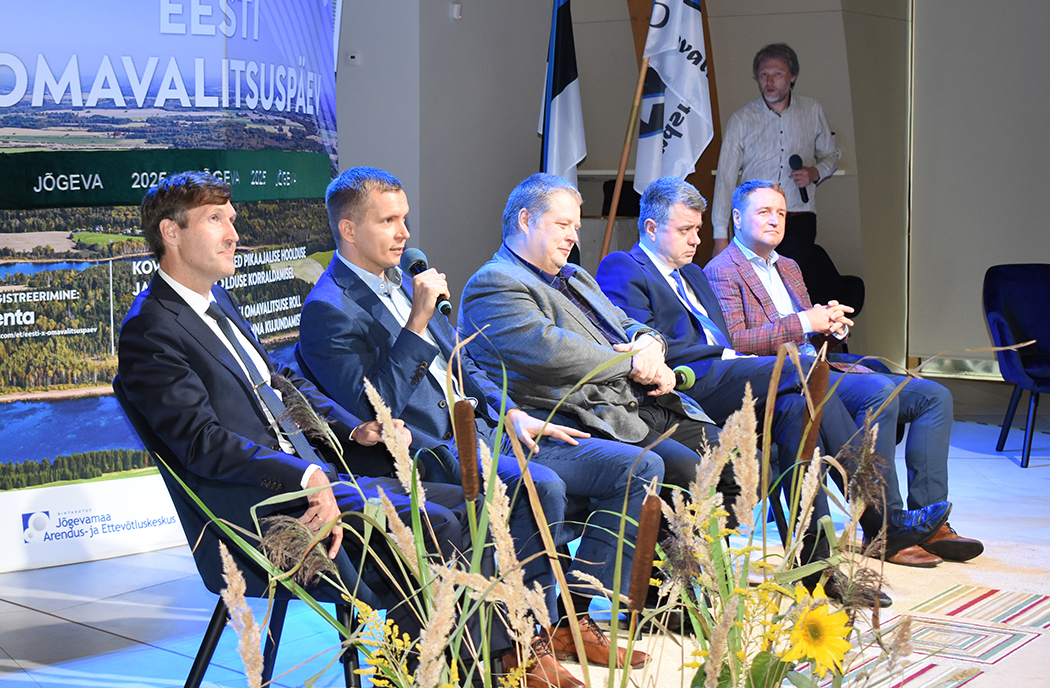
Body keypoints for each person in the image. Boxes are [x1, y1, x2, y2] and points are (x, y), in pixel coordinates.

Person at [298, 167, 656, 676]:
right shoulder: (329, 309)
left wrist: (512, 412)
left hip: (490, 430)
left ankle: (569, 617)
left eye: (404, 219)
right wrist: (416, 324)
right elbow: (371, 409)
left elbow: (463, 364)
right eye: (388, 221)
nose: (404, 233)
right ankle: (521, 644)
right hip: (430, 451)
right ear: (349, 229)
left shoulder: (403, 280)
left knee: (637, 467)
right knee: (543, 486)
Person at [116, 171, 470, 649]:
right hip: (263, 511)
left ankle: (485, 662)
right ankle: (424, 671)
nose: (234, 234)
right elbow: (202, 443)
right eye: (216, 220)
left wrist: (355, 429)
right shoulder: (150, 329)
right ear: (171, 232)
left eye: (232, 220)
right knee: (436, 524)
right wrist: (303, 476)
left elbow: (280, 382)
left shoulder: (215, 299)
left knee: (468, 506)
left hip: (319, 480)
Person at [596, 177, 957, 574]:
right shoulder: (623, 266)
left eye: (698, 229)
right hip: (688, 380)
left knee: (799, 408)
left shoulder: (694, 274)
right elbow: (645, 342)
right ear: (651, 228)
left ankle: (817, 563)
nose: (696, 240)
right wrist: (732, 353)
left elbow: (723, 334)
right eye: (685, 230)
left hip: (731, 372)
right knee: (805, 369)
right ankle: (883, 523)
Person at [703, 179, 983, 564]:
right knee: (879, 392)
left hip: (821, 365)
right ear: (737, 218)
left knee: (934, 396)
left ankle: (929, 522)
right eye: (764, 212)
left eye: (781, 213)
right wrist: (806, 321)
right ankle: (886, 526)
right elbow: (737, 340)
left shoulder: (789, 266)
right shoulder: (722, 270)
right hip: (787, 378)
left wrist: (830, 328)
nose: (775, 220)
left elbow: (809, 335)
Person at [457, 173, 738, 532]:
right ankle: (664, 566)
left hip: (648, 403)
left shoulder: (575, 274)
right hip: (597, 415)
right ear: (525, 220)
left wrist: (650, 345)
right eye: (563, 225)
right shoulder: (494, 281)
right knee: (690, 472)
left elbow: (627, 322)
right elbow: (552, 349)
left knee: (745, 462)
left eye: (575, 226)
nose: (574, 236)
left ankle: (693, 562)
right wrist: (633, 362)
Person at [711, 43, 861, 310]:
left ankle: (802, 329)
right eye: (763, 74)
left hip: (799, 216)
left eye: (777, 74)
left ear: (792, 76)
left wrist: (815, 172)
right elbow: (725, 179)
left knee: (793, 287)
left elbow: (831, 155)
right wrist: (720, 236)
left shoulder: (812, 110)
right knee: (756, 286)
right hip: (754, 218)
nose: (769, 82)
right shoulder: (741, 119)